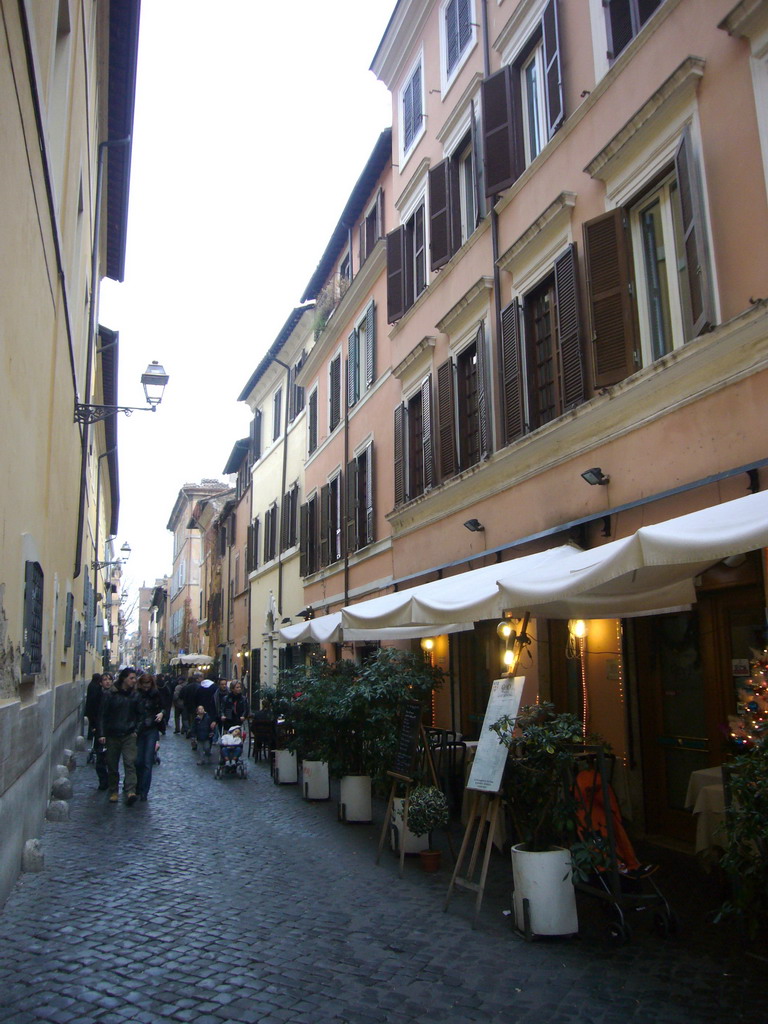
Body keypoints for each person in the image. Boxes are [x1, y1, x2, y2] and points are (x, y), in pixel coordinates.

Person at [98, 667, 141, 805]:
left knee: (130, 763)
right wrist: (101, 733)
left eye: (135, 678)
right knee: (112, 764)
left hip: (129, 734)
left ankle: (130, 791)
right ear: (124, 679)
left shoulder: (135, 695)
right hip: (112, 734)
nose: (134, 681)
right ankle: (114, 790)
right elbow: (102, 715)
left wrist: (136, 730)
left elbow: (140, 714)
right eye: (131, 678)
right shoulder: (110, 694)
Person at [135, 674, 166, 801]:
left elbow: (164, 707)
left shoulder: (156, 694)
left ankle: (144, 791)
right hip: (138, 730)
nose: (146, 686)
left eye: (148, 684)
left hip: (152, 729)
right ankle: (137, 786)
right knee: (138, 761)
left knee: (148, 761)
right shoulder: (136, 695)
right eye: (144, 684)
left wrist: (161, 713)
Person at [85, 673, 112, 789]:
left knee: (111, 758)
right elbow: (91, 711)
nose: (107, 682)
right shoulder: (97, 695)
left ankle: (111, 781)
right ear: (100, 682)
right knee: (100, 757)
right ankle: (103, 781)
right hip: (99, 730)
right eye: (105, 680)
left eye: (109, 679)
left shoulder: (115, 695)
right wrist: (94, 728)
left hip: (112, 731)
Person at [182, 672, 203, 742]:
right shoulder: (200, 687)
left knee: (190, 719)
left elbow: (185, 697)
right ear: (197, 678)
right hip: (197, 706)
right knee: (197, 720)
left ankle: (190, 730)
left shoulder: (187, 687)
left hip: (189, 705)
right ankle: (194, 732)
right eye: (201, 677)